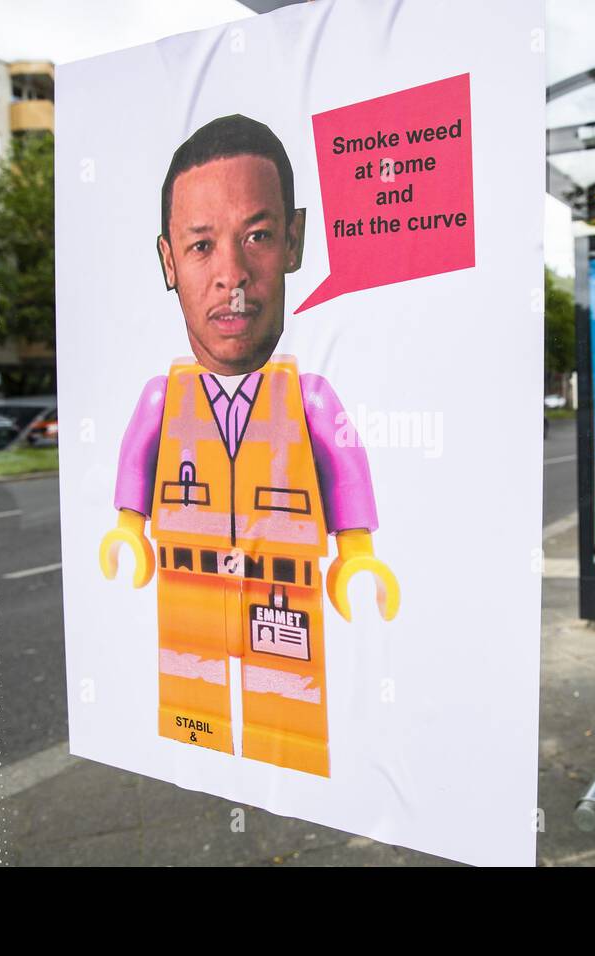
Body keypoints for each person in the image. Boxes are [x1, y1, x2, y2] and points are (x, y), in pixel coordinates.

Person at [99, 114, 398, 777]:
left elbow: (347, 467)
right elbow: (136, 460)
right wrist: (128, 529)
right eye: (201, 246)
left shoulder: (312, 398)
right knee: (190, 693)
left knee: (284, 708)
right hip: (187, 579)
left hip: (283, 584)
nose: (232, 276)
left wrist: (356, 556)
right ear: (168, 262)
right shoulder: (161, 398)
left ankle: (278, 765)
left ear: (294, 241)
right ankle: (201, 752)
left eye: (257, 236)